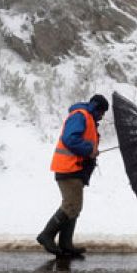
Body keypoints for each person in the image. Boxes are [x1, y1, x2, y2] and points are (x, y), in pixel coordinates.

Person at [37, 94, 109, 257]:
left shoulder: (87, 118)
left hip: (75, 168)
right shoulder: (80, 115)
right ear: (96, 107)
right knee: (72, 205)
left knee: (74, 207)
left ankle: (65, 244)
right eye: (102, 112)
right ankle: (46, 235)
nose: (102, 117)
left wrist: (91, 151)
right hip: (68, 167)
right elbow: (70, 138)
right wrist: (88, 149)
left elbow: (83, 141)